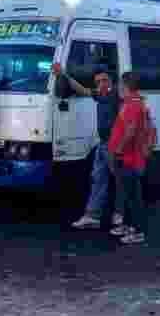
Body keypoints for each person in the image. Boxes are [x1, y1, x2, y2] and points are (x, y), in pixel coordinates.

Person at [52, 59, 123, 230]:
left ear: (112, 81)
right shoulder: (101, 95)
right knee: (98, 180)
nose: (101, 84)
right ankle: (92, 216)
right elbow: (82, 90)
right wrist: (63, 75)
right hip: (103, 145)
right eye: (98, 81)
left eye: (104, 80)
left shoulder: (116, 95)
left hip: (115, 146)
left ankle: (121, 215)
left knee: (122, 181)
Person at [107, 72, 153, 245]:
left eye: (119, 84)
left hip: (128, 158)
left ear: (126, 86)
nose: (118, 87)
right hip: (126, 157)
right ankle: (127, 226)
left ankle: (137, 231)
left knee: (133, 196)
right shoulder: (131, 103)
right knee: (126, 194)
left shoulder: (133, 104)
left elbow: (131, 131)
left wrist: (118, 150)